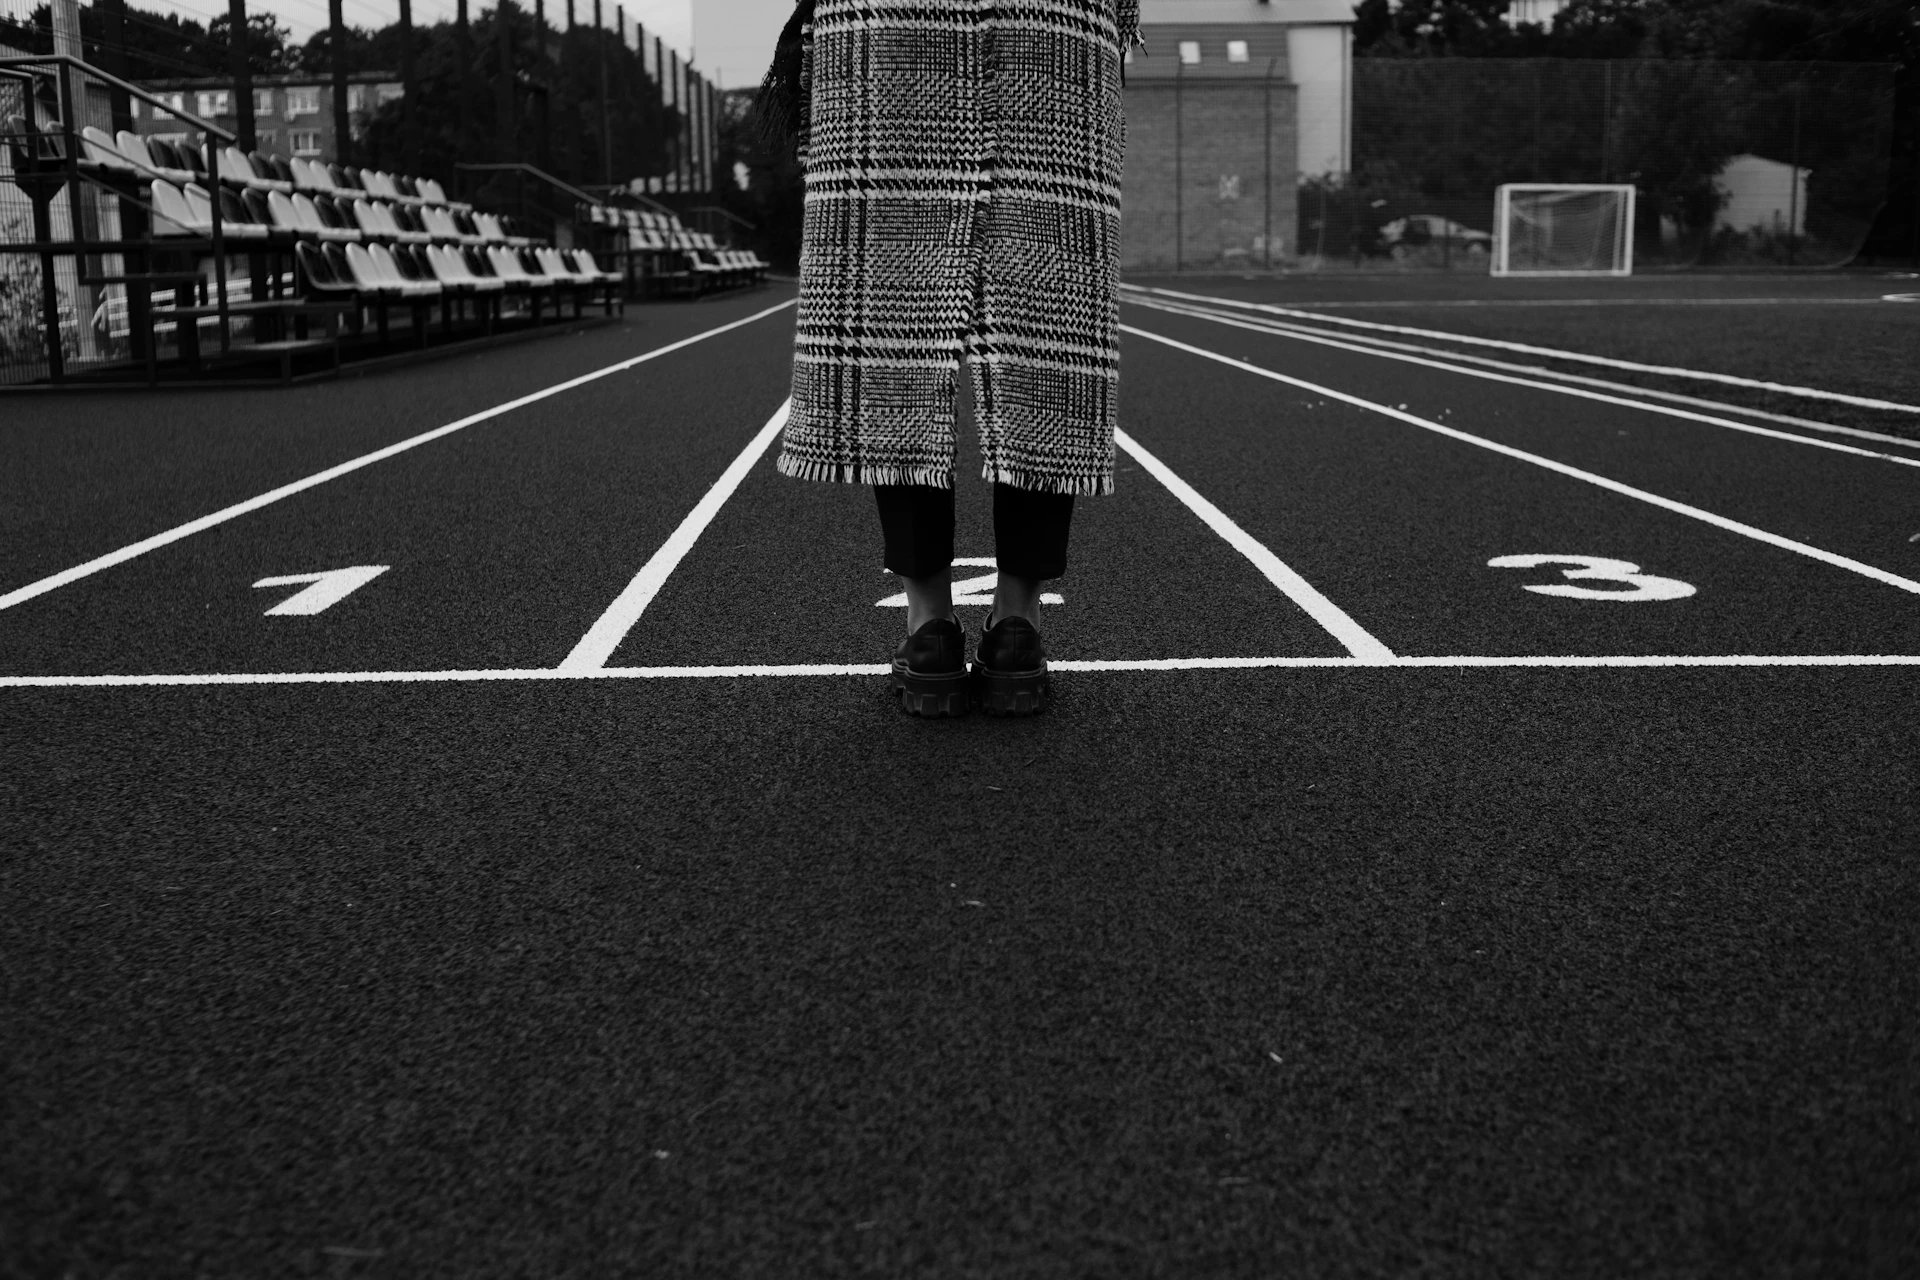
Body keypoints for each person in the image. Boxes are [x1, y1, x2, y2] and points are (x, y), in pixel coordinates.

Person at [772, 0, 1140, 718]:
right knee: (1049, 343)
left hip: (890, 24)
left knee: (892, 346)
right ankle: (1017, 628)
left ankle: (930, 628)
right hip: (1051, 21)